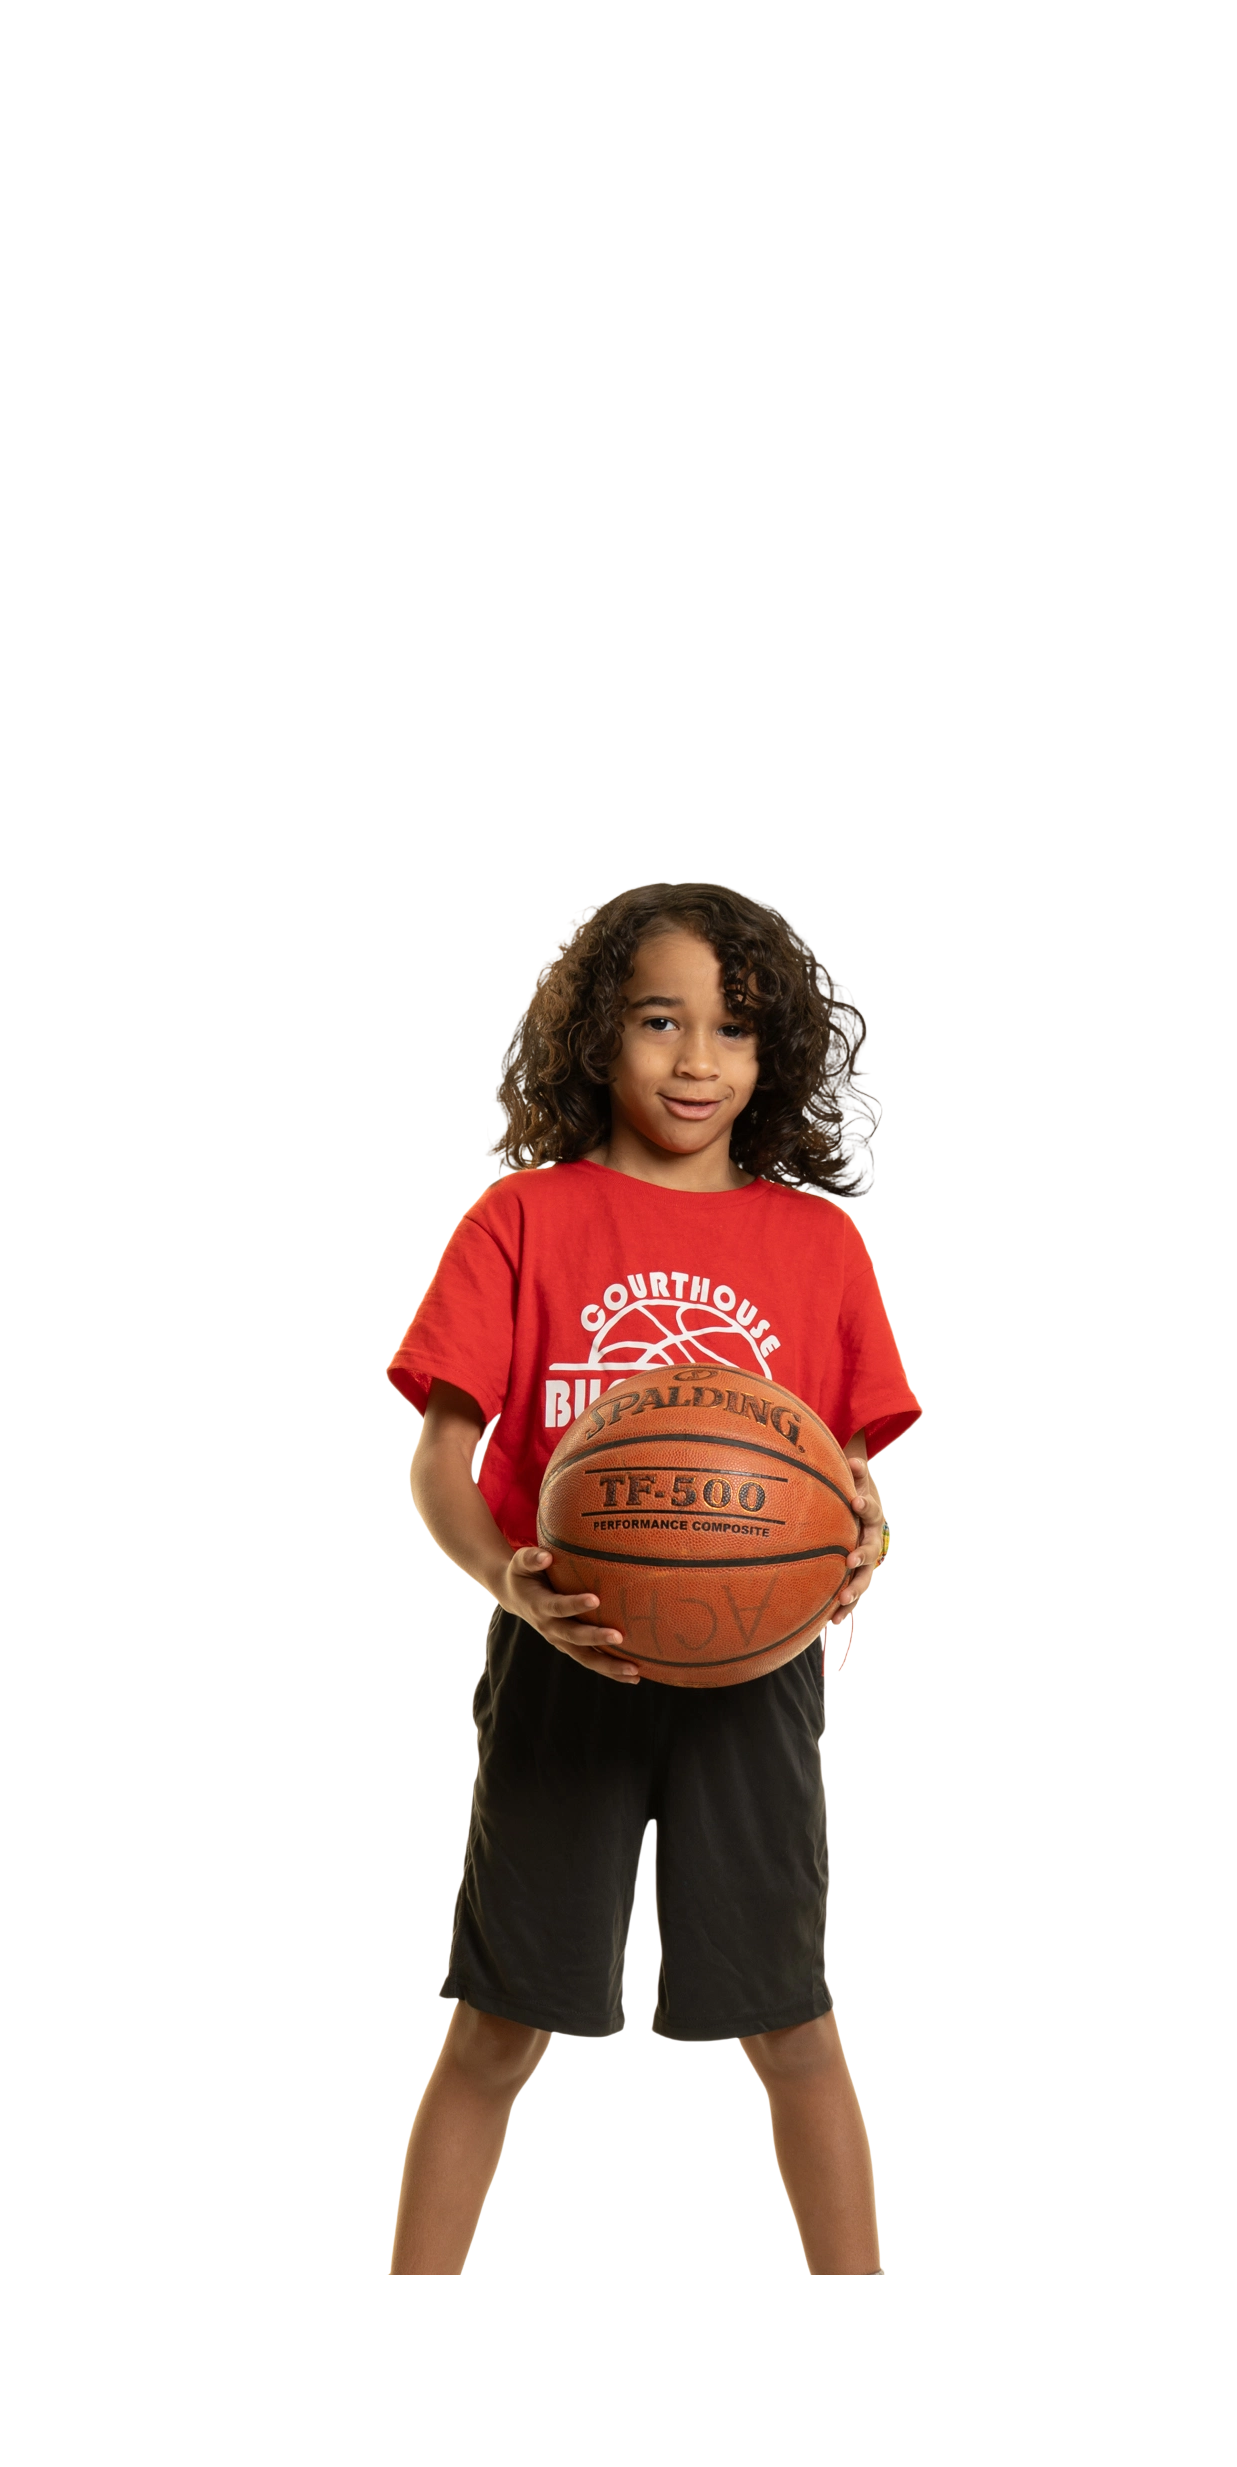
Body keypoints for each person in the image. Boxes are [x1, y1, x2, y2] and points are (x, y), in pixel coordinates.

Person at [385, 881, 921, 2274]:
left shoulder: (819, 1244)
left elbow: (852, 1493)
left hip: (754, 1677)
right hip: (565, 1655)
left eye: (733, 1029)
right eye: (660, 1021)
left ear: (773, 1051)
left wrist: (861, 1548)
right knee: (496, 2028)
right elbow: (441, 1458)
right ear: (597, 1036)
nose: (698, 1060)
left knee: (792, 2023)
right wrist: (510, 1581)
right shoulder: (522, 1221)